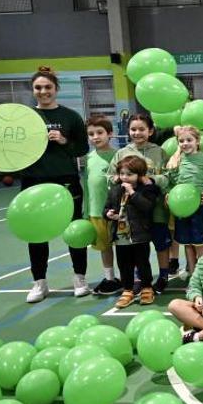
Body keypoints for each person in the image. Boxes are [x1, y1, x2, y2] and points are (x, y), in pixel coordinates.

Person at [19, 67, 90, 303]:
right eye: (38, 87)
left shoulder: (71, 117)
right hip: (33, 182)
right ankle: (39, 283)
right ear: (33, 90)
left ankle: (80, 278)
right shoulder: (24, 119)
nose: (43, 91)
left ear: (56, 89)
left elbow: (81, 149)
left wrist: (63, 141)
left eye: (48, 87)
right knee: (36, 233)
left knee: (74, 231)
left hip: (66, 181)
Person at [107, 113, 171, 294]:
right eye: (133, 129)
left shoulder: (159, 152)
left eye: (142, 129)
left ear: (150, 131)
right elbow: (110, 177)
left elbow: (168, 178)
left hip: (155, 206)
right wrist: (119, 180)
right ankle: (139, 278)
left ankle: (164, 276)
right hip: (131, 210)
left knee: (160, 242)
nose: (137, 133)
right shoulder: (122, 153)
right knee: (135, 245)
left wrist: (149, 178)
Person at [104, 155, 160, 308]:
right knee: (124, 264)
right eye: (122, 174)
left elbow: (147, 207)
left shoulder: (147, 190)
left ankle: (147, 287)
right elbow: (107, 207)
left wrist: (133, 193)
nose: (125, 177)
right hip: (120, 236)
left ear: (139, 175)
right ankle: (127, 289)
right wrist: (108, 214)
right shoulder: (115, 190)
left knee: (142, 263)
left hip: (139, 235)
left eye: (130, 174)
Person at [166, 125, 203, 276]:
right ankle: (193, 275)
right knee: (187, 243)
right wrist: (169, 194)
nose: (185, 143)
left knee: (200, 243)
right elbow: (170, 181)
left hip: (199, 207)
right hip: (181, 210)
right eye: (181, 141)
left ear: (198, 141)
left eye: (189, 140)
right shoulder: (175, 161)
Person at [83, 116, 120, 295]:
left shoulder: (119, 156)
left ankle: (131, 278)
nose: (95, 137)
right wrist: (86, 212)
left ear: (110, 134)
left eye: (100, 133)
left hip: (118, 212)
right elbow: (87, 187)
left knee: (123, 246)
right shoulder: (88, 159)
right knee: (104, 247)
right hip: (97, 211)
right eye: (91, 134)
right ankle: (110, 278)